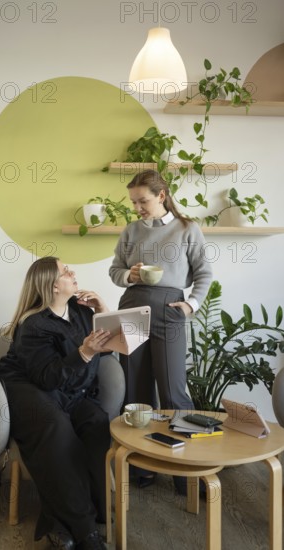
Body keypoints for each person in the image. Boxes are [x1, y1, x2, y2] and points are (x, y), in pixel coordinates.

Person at [0, 257, 111, 550]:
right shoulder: (33, 325)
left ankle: (81, 515)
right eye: (65, 271)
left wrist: (104, 312)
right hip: (29, 387)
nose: (73, 273)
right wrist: (84, 352)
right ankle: (85, 531)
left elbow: (107, 350)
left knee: (96, 421)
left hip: (67, 390)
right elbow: (46, 378)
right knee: (56, 427)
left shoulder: (81, 312)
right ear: (51, 285)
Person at [109, 169, 213, 489]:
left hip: (170, 310)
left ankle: (186, 474)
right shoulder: (131, 230)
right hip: (133, 308)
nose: (137, 207)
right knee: (136, 392)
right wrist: (131, 275)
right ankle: (143, 467)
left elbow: (204, 274)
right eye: (134, 202)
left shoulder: (187, 229)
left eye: (143, 201)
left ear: (161, 196)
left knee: (173, 390)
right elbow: (115, 271)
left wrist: (191, 305)